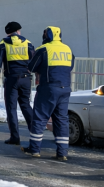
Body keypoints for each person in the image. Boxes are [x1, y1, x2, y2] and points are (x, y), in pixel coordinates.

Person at [22, 26, 74, 161]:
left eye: (44, 34)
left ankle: (34, 150)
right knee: (61, 120)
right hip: (65, 88)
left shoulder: (43, 49)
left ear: (48, 36)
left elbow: (31, 67)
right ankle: (62, 153)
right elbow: (70, 66)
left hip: (49, 87)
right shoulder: (67, 49)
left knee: (39, 118)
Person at [0, 21, 35, 145]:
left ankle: (15, 137)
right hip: (26, 78)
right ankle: (35, 133)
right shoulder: (28, 43)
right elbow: (34, 61)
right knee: (25, 105)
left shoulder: (3, 44)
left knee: (11, 108)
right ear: (18, 31)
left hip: (12, 79)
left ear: (8, 32)